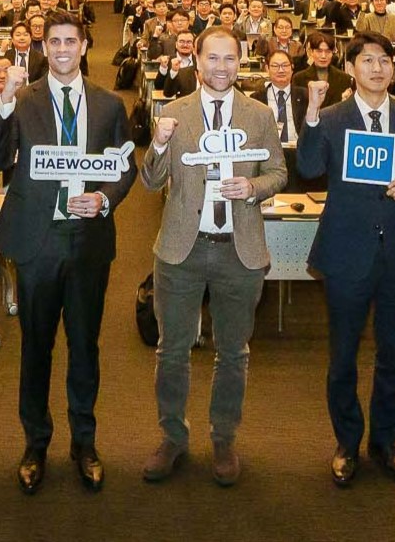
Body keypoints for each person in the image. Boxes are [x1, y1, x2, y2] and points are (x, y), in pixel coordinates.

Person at [0, 11, 136, 494]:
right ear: (43, 47)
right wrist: (4, 107)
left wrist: (105, 198)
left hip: (88, 240)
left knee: (85, 346)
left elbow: (125, 166)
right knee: (35, 346)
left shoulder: (110, 104)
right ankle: (35, 442)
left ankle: (84, 442)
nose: (62, 49)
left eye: (71, 41)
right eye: (53, 41)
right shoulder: (23, 99)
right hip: (37, 240)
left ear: (84, 44)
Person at [139, 27, 288, 487]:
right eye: (213, 58)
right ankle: (173, 437)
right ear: (196, 61)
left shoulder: (259, 114)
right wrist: (160, 143)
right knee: (172, 350)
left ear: (241, 63)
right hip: (181, 250)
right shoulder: (174, 114)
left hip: (239, 250)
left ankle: (223, 438)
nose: (221, 67)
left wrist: (253, 188)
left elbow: (279, 171)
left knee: (233, 352)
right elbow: (149, 181)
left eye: (230, 59)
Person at [295, 33, 395, 488]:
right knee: (343, 356)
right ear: (351, 67)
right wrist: (312, 114)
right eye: (367, 60)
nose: (377, 68)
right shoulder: (333, 118)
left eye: (384, 61)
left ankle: (386, 443)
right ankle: (347, 442)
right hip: (346, 251)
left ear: (394, 69)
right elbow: (310, 167)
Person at [294, 31, 353, 104]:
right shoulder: (299, 79)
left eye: (328, 52)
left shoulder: (344, 78)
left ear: (332, 53)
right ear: (311, 52)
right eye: (319, 51)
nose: (323, 56)